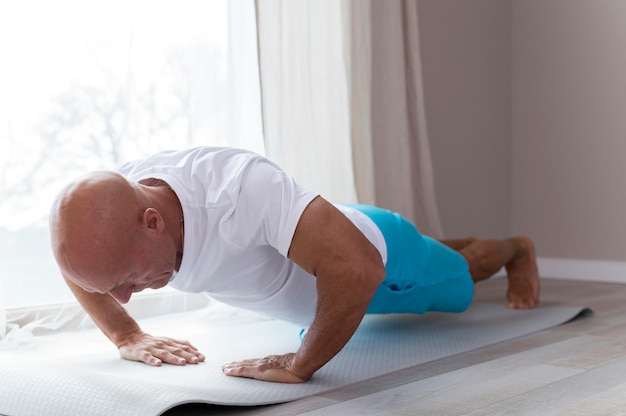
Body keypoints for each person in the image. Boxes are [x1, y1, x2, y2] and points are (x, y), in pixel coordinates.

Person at [49, 146, 540, 384]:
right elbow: (86, 269)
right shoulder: (113, 218)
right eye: (112, 284)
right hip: (336, 240)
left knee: (461, 282)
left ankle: (515, 248)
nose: (125, 295)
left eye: (128, 280)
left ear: (153, 222)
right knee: (408, 249)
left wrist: (302, 364)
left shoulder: (238, 189)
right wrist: (127, 334)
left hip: (386, 261)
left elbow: (358, 269)